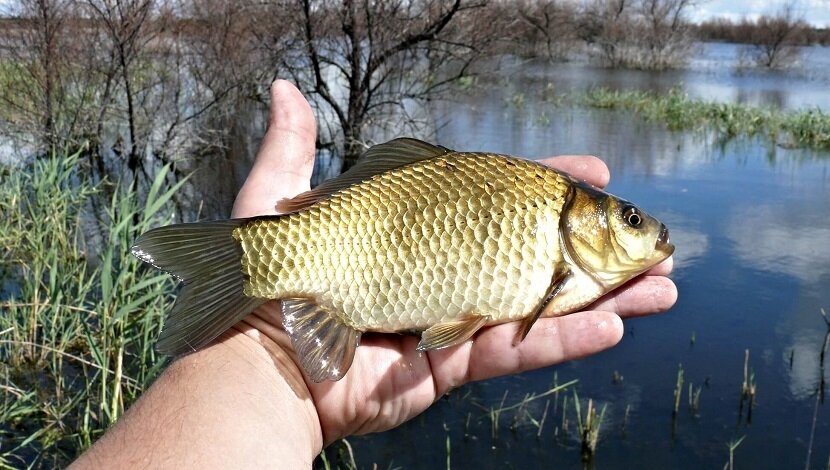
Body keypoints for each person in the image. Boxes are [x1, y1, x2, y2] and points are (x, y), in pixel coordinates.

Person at [71, 80, 676, 469]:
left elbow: (453, 331)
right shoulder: (551, 228)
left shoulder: (560, 241)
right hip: (355, 245)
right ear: (587, 218)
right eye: (627, 219)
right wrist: (259, 353)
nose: (645, 234)